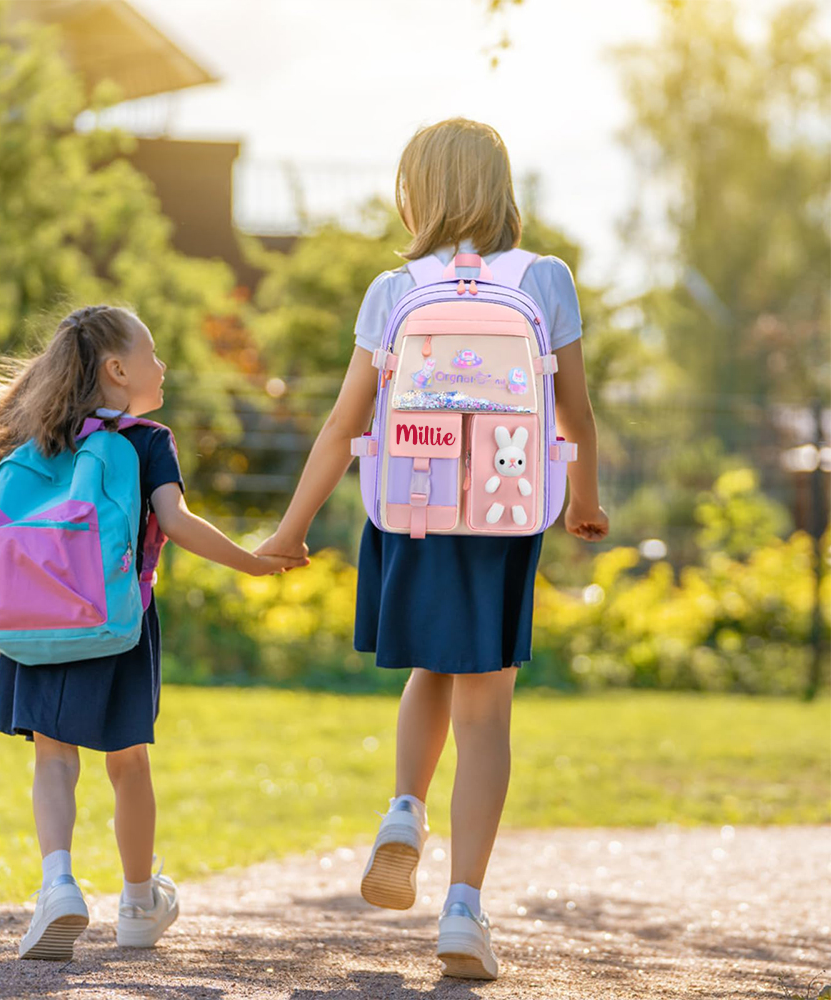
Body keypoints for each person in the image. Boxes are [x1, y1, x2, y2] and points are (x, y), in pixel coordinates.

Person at [255, 118, 609, 980]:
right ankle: (463, 910)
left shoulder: (392, 288)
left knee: (429, 674)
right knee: (487, 711)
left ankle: (406, 809)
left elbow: (344, 426)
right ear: (500, 189)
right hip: (503, 507)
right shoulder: (545, 277)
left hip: (410, 507)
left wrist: (290, 529)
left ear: (416, 192)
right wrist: (586, 500)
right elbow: (574, 414)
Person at [0, 305, 306, 961]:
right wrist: (254, 561)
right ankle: (138, 903)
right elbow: (178, 521)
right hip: (113, 625)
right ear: (118, 369)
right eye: (154, 353)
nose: (162, 365)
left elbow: (10, 534)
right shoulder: (146, 440)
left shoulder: (44, 437)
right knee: (128, 763)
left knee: (53, 760)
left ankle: (58, 885)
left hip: (34, 626)